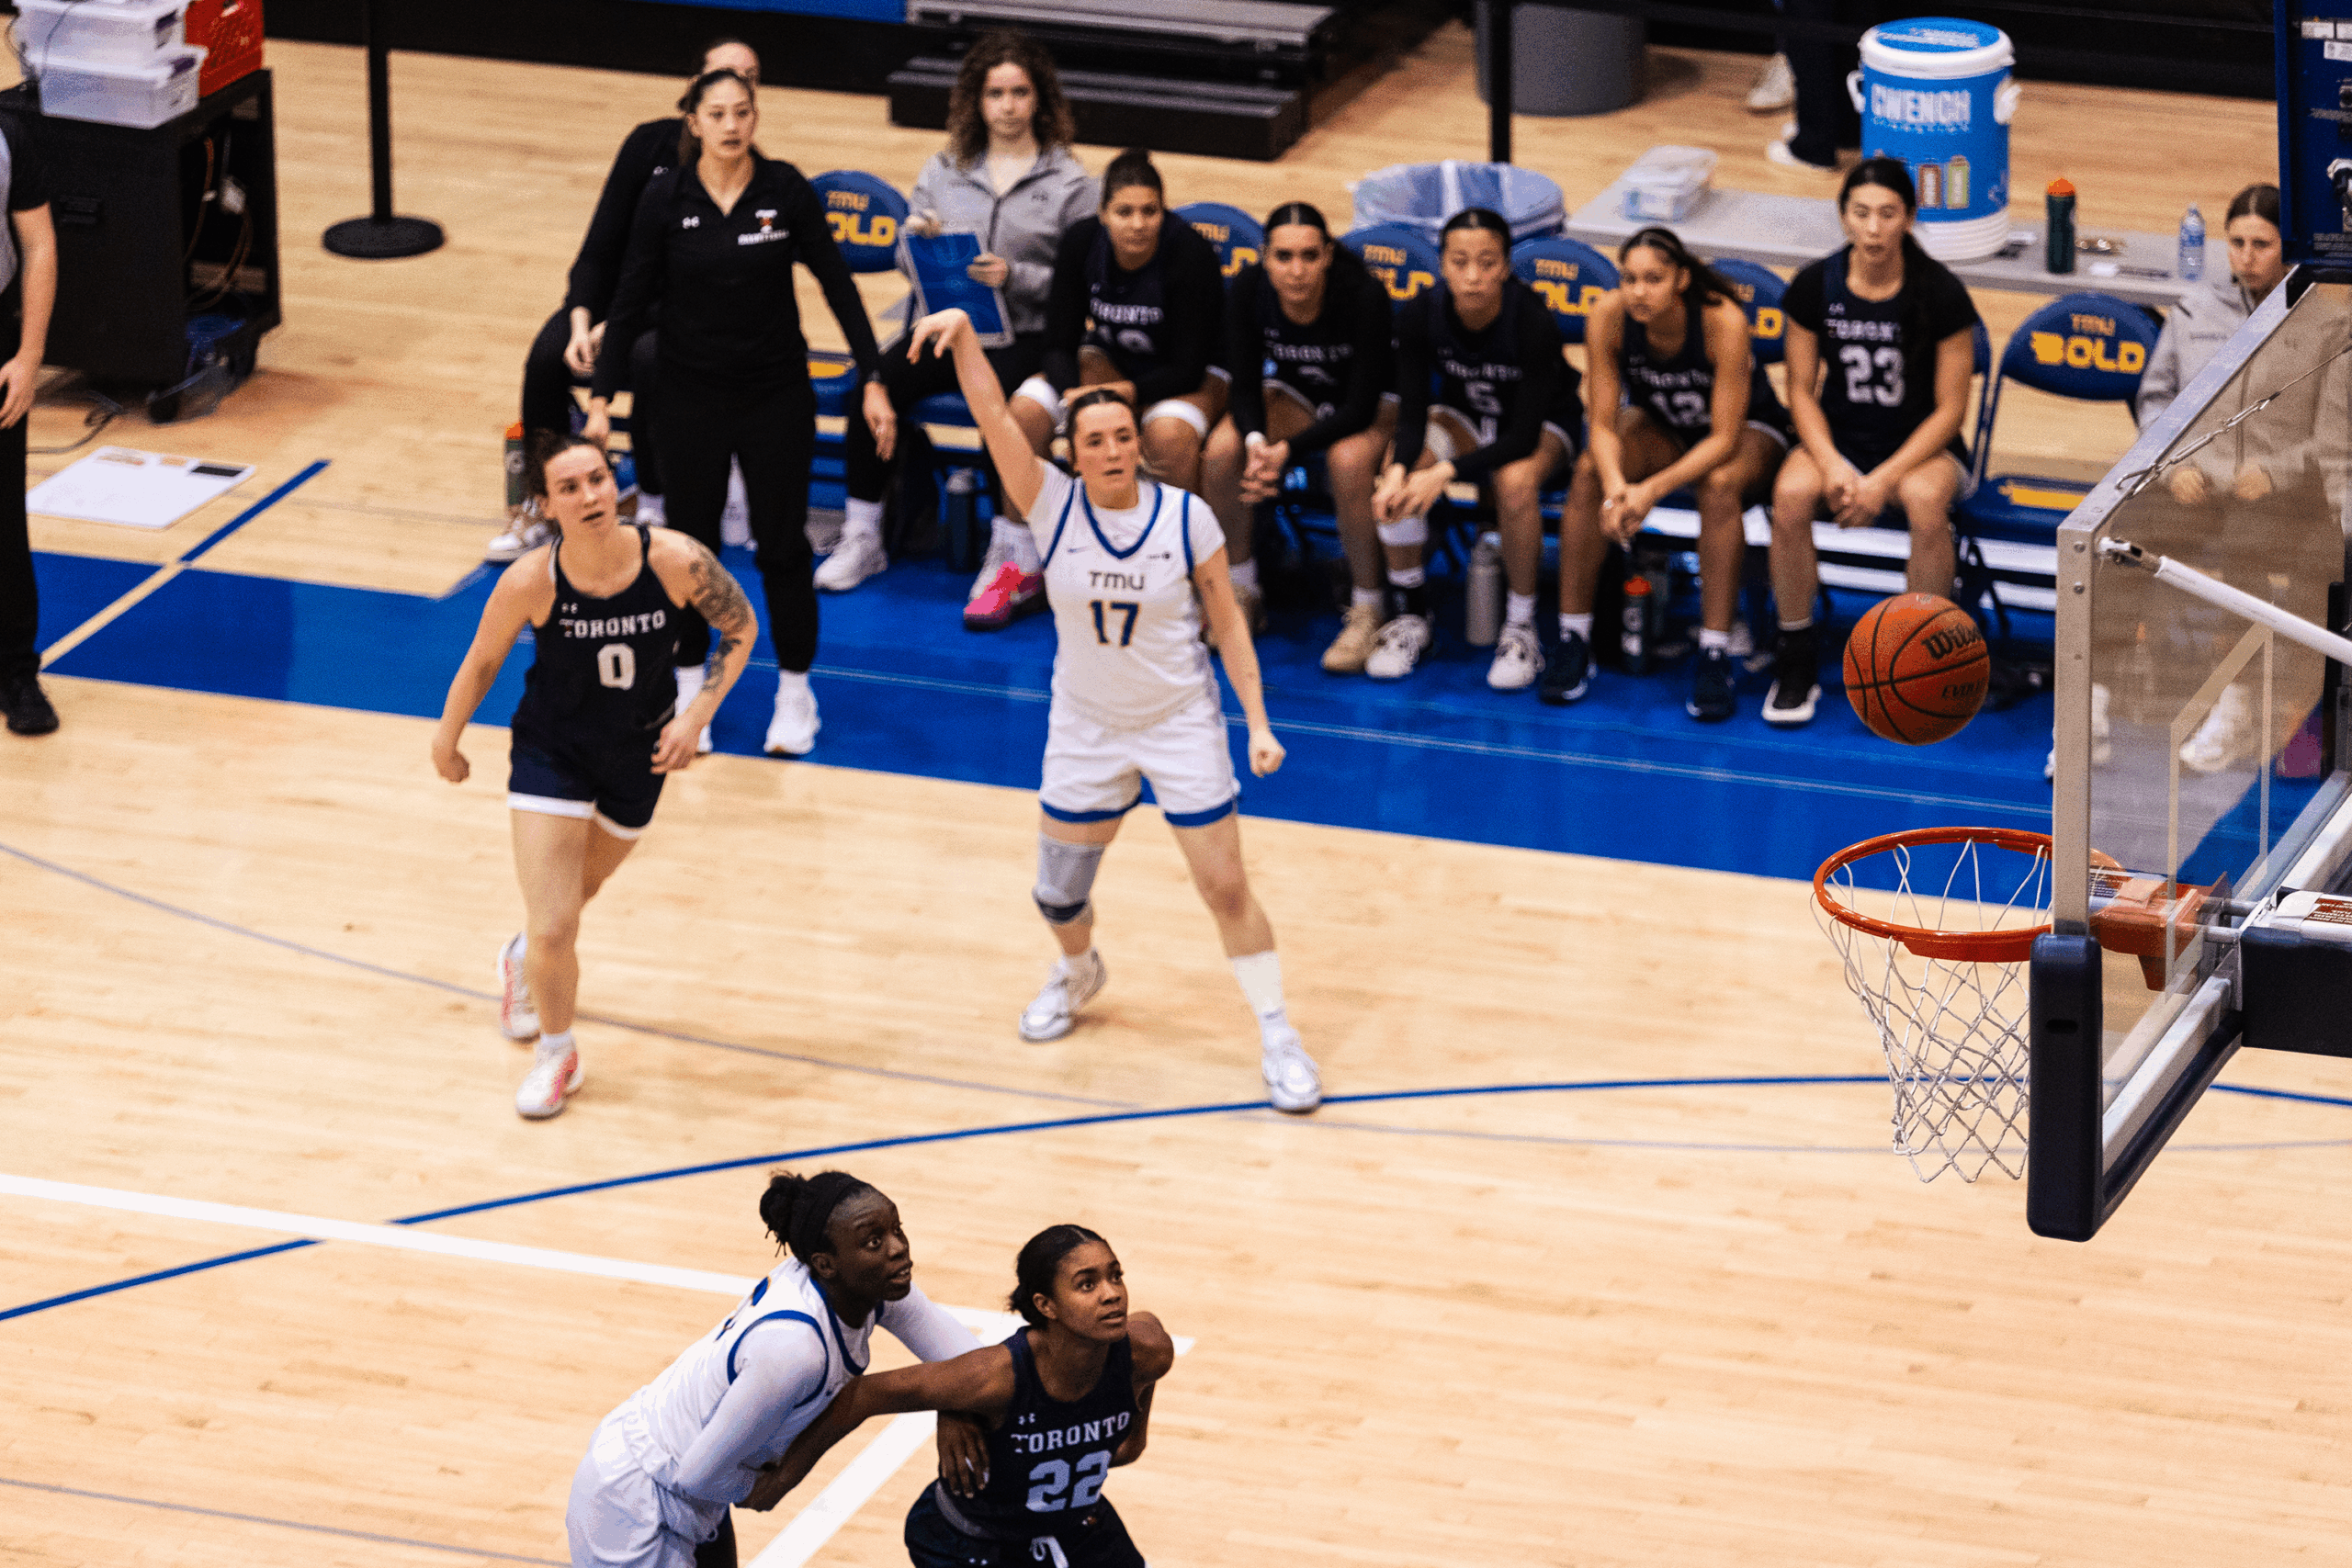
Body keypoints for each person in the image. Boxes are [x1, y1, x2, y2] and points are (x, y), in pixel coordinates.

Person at [909, 303, 1324, 1114]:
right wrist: (964, 339)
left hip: (1178, 723)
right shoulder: (1050, 502)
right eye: (1093, 440)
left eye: (1121, 437)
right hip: (1086, 726)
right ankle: (1077, 969)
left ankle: (1279, 1034)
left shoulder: (1183, 515)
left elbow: (1227, 620)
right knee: (1057, 895)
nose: (1110, 451)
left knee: (1226, 887)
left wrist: (1260, 723)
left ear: (1139, 442)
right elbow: (995, 417)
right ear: (1071, 451)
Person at [430, 434, 755, 1120]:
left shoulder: (672, 559)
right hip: (552, 752)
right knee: (557, 924)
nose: (591, 496)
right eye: (571, 488)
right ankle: (559, 1052)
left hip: (640, 755)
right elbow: (484, 660)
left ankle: (521, 956)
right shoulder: (532, 579)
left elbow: (740, 626)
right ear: (546, 505)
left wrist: (698, 713)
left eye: (599, 480)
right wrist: (447, 737)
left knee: (575, 899)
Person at [584, 67, 893, 759]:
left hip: (775, 396)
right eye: (716, 113)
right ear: (692, 122)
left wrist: (872, 376)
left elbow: (838, 286)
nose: (730, 125)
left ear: (756, 118)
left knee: (782, 549)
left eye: (742, 112)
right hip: (689, 398)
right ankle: (694, 693)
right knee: (692, 552)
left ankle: (794, 692)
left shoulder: (784, 191)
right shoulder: (665, 197)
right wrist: (602, 400)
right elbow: (629, 300)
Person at [565, 1169, 989, 1568]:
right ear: (825, 1263)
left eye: (897, 1229)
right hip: (638, 1497)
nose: (897, 1247)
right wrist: (775, 1482)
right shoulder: (796, 1350)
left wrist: (953, 1404)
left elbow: (981, 1365)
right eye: (874, 1242)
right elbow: (696, 1475)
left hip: (689, 1487)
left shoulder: (867, 1287)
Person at [816, 29, 1096, 595]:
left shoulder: (1071, 183)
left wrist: (1015, 275)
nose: (1009, 106)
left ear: (1040, 98)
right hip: (943, 327)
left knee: (1005, 414)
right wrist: (914, 239)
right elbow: (903, 258)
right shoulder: (944, 168)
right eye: (996, 94)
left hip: (1023, 337)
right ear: (977, 100)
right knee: (873, 389)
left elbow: (1081, 282)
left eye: (1020, 92)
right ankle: (864, 533)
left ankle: (1007, 545)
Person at [747, 1224, 1174, 1568]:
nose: (1112, 1292)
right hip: (969, 1542)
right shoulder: (993, 1379)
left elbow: (1127, 1445)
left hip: (1076, 1526)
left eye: (1115, 1275)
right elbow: (864, 1395)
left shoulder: (1148, 1351)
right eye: (1087, 1284)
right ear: (1046, 1306)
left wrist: (1127, 1421)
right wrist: (785, 1476)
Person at [496, 38, 763, 562]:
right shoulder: (645, 145)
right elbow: (599, 246)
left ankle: (652, 506)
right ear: (693, 91)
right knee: (547, 358)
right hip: (611, 308)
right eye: (724, 74)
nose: (737, 87)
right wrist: (580, 318)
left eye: (750, 78)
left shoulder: (742, 169)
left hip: (678, 311)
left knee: (647, 361)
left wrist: (618, 323)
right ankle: (546, 500)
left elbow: (695, 279)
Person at [1766, 158, 1981, 727]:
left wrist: (1880, 480)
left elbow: (1951, 410)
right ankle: (1796, 654)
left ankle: (1922, 657)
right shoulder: (1815, 284)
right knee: (1788, 497)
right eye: (1861, 213)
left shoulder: (1941, 293)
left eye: (1888, 214)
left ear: (1908, 219)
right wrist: (1835, 466)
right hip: (1838, 441)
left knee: (1926, 501)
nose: (1874, 228)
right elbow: (1801, 394)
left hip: (1922, 448)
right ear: (1843, 218)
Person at [1547, 226, 1789, 719]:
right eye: (1629, 278)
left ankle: (1715, 650)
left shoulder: (1721, 319)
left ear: (1680, 279)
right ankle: (1574, 637)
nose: (1638, 291)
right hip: (1665, 427)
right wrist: (1618, 491)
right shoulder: (1609, 316)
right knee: (1592, 472)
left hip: (1748, 431)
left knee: (1719, 487)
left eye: (1653, 279)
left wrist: (1650, 492)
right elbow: (1602, 421)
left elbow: (1723, 438)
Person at [979, 149, 1225, 632]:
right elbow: (1057, 343)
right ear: (1103, 213)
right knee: (1024, 414)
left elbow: (1188, 367)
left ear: (1164, 210)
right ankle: (1019, 560)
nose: (1138, 224)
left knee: (1169, 436)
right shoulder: (1081, 243)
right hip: (1110, 364)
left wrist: (1119, 396)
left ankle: (1179, 578)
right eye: (1125, 212)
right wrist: (1079, 404)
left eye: (1149, 211)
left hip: (1188, 376)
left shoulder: (1190, 254)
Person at [1369, 208, 1584, 691]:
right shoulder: (1420, 313)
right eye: (1460, 261)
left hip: (1544, 424)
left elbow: (1522, 437)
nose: (1473, 276)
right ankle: (1412, 614)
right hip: (1467, 417)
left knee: (1514, 481)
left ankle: (1521, 626)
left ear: (1506, 267)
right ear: (1442, 264)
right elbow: (1411, 413)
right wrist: (1403, 469)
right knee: (1397, 471)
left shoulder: (1530, 319)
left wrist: (1445, 471)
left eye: (1487, 263)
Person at [1200, 201, 1396, 668]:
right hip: (1298, 395)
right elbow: (1244, 386)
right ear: (1265, 257)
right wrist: (1256, 445)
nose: (1297, 270)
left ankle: (1369, 605)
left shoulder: (1363, 295)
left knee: (1347, 463)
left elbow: (1360, 407)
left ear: (1328, 255)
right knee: (1223, 451)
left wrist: (1286, 451)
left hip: (1371, 405)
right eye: (1284, 257)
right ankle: (1242, 590)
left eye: (1309, 256)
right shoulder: (1248, 290)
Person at [0, 101, 56, 738]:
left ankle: (16, 672)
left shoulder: (9, 134)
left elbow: (39, 243)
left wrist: (30, 355)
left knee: (3, 524)